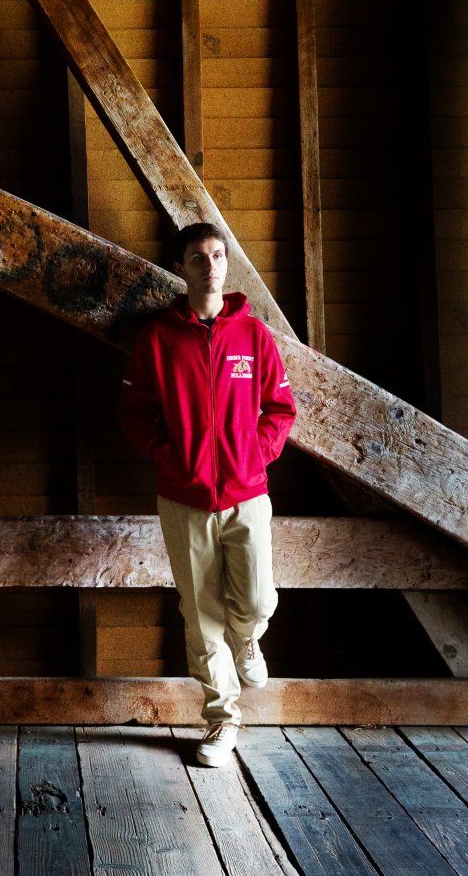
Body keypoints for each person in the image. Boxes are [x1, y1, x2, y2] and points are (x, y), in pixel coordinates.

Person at [116, 222, 297, 768]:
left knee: (258, 599)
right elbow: (133, 413)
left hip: (247, 494)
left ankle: (248, 638)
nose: (211, 265)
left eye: (218, 255)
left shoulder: (254, 336)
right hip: (184, 498)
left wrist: (252, 456)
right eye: (198, 257)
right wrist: (174, 460)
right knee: (199, 614)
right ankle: (223, 721)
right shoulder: (158, 338)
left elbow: (280, 411)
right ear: (183, 267)